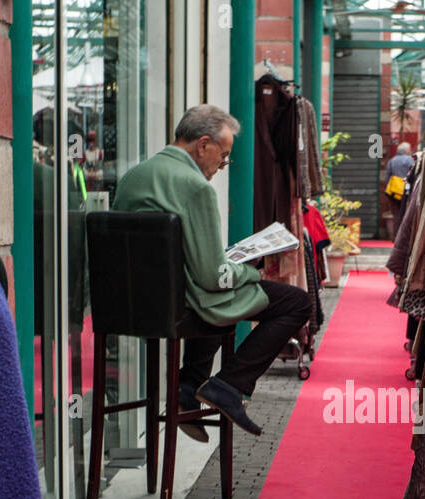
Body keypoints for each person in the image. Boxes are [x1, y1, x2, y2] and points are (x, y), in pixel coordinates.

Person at [114, 104, 312, 438]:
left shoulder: (135, 175)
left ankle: (189, 390)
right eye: (223, 155)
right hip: (180, 307)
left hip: (132, 305)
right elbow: (211, 276)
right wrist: (251, 272)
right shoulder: (195, 186)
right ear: (203, 144)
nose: (223, 165)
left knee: (224, 297)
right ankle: (230, 385)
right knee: (295, 302)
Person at [385, 142, 416, 236]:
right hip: (405, 192)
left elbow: (387, 177)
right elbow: (412, 175)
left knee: (396, 215)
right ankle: (403, 237)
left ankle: (395, 236)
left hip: (393, 192)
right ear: (406, 151)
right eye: (409, 149)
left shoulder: (391, 161)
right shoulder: (410, 160)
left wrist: (389, 189)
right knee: (406, 215)